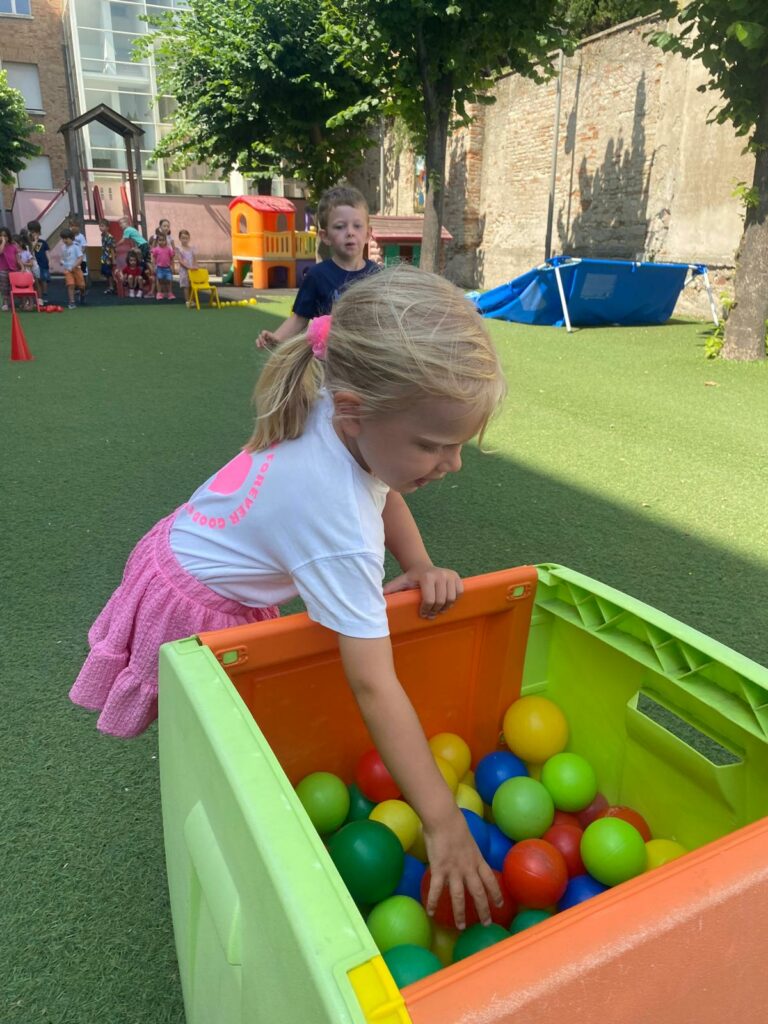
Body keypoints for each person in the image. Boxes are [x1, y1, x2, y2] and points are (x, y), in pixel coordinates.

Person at [69, 264, 507, 929]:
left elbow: (378, 486)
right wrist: (442, 821)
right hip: (196, 602)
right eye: (433, 446)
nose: (452, 465)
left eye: (458, 445)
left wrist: (417, 564)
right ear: (355, 411)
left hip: (186, 548)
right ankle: (231, 832)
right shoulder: (335, 522)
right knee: (223, 744)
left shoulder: (347, 406)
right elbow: (373, 684)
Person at [256, 185, 378, 349]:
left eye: (357, 226)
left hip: (369, 357)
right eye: (340, 226)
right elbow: (299, 318)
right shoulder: (317, 275)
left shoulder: (378, 275)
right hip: (330, 358)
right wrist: (277, 338)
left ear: (368, 234)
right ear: (325, 236)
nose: (350, 232)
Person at [58, 229, 87, 308]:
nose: (65, 240)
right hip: (68, 270)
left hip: (76, 269)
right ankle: (72, 302)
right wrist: (62, 261)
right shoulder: (63, 247)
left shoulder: (75, 247)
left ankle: (82, 294)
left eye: (66, 239)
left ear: (72, 238)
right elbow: (64, 257)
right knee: (70, 284)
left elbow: (80, 258)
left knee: (81, 286)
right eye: (63, 239)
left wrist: (74, 266)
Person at [27, 220, 51, 305]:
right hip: (35, 264)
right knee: (36, 280)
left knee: (44, 279)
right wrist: (34, 242)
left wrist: (49, 261)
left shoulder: (43, 242)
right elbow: (31, 251)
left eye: (36, 232)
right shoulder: (29, 243)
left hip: (43, 264)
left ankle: (44, 294)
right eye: (32, 232)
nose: (34, 234)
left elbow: (47, 252)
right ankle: (37, 297)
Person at [15, 231, 38, 310]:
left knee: (29, 290)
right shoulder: (15, 253)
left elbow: (31, 264)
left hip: (27, 273)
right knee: (21, 291)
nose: (14, 245)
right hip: (18, 274)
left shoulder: (26, 252)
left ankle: (31, 304)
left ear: (20, 243)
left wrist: (23, 264)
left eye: (15, 243)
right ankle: (24, 304)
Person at [174, 228, 197, 306]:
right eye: (183, 238)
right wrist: (188, 267)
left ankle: (193, 300)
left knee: (192, 285)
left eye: (186, 238)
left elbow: (194, 259)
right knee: (186, 286)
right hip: (184, 270)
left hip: (192, 270)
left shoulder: (192, 248)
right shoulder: (179, 249)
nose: (185, 240)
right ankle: (187, 301)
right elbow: (180, 260)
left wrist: (195, 266)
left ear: (189, 238)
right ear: (180, 238)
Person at [151, 230, 176, 300]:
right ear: (157, 241)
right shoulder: (156, 249)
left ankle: (170, 293)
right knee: (159, 280)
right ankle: (159, 293)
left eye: (163, 240)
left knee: (169, 281)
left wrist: (172, 267)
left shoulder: (169, 249)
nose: (161, 242)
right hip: (159, 268)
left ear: (166, 241)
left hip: (167, 268)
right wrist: (154, 266)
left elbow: (171, 258)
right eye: (160, 240)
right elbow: (153, 257)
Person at [0, 226, 19, 311]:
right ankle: (5, 303)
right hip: (3, 270)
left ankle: (13, 303)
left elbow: (17, 258)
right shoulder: (1, 246)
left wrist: (22, 267)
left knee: (13, 287)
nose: (3, 237)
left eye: (5, 236)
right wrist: (3, 242)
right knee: (4, 288)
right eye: (1, 235)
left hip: (13, 269)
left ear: (9, 236)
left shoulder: (13, 246)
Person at [68, 217, 89, 284]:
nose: (73, 228)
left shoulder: (81, 236)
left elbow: (84, 246)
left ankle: (84, 285)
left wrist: (80, 254)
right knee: (74, 272)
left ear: (79, 227)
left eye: (75, 226)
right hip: (72, 259)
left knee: (83, 271)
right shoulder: (69, 237)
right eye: (72, 226)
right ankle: (76, 285)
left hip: (81, 259)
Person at [98, 219, 117, 294]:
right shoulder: (103, 235)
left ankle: (112, 287)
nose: (100, 228)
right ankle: (110, 286)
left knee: (108, 272)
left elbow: (112, 248)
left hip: (109, 257)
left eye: (102, 226)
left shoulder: (109, 237)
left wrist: (113, 259)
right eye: (100, 226)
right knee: (105, 272)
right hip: (104, 257)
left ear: (107, 227)